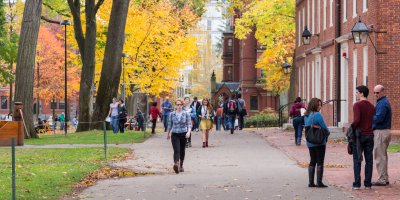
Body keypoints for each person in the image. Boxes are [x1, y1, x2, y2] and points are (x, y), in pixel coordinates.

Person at [350, 85, 375, 190]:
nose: (356, 94)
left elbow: (356, 120)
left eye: (357, 92)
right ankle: (368, 184)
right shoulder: (372, 106)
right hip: (370, 135)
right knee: (369, 160)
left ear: (361, 93)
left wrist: (351, 128)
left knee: (357, 159)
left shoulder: (357, 105)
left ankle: (357, 184)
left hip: (359, 136)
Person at [304, 98, 330, 188]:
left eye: (320, 105)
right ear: (314, 105)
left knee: (312, 161)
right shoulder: (318, 115)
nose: (320, 106)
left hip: (310, 142)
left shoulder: (306, 115)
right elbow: (325, 128)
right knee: (320, 161)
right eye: (319, 105)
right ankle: (319, 182)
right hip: (319, 142)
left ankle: (311, 182)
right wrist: (327, 134)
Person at [372, 84, 392, 186]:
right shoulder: (381, 102)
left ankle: (382, 179)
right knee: (382, 155)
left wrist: (369, 118)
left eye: (377, 92)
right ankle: (384, 178)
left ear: (382, 92)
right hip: (383, 131)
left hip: (381, 131)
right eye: (374, 92)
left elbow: (379, 118)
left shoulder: (383, 103)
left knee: (379, 155)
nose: (375, 94)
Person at [167, 98, 192, 174]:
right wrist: (168, 134)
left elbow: (189, 124)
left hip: (183, 134)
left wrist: (188, 132)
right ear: (176, 105)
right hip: (174, 134)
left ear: (182, 105)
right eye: (177, 104)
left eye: (180, 104)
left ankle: (181, 165)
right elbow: (169, 124)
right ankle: (176, 164)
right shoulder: (172, 114)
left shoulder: (186, 113)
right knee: (176, 150)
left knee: (182, 150)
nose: (179, 106)